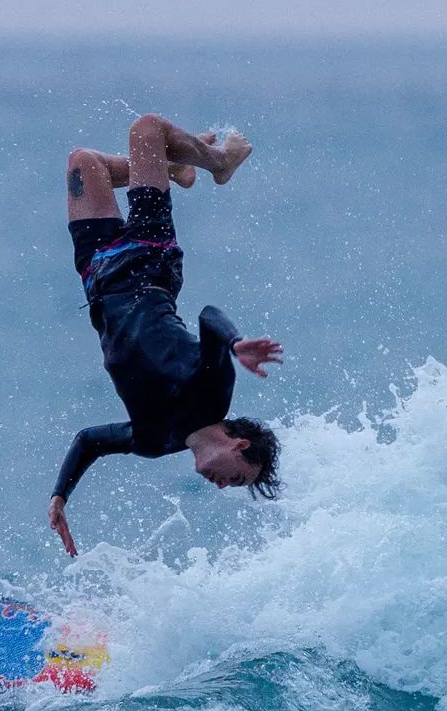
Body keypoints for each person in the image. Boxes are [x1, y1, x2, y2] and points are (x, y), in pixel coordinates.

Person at [47, 113, 283, 556]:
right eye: (237, 477)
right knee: (146, 130)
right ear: (239, 444)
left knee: (83, 162)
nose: (222, 485)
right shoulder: (212, 393)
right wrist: (236, 344)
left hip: (97, 274)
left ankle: (170, 167)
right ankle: (218, 162)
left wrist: (60, 495)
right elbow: (210, 316)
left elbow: (90, 440)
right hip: (148, 262)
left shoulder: (154, 442)